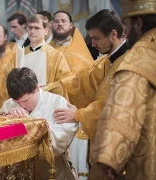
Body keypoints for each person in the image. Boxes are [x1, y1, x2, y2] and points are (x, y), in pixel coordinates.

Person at [89, 0, 156, 179]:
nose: (125, 32)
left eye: (126, 24)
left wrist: (102, 168)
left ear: (138, 23)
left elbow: (119, 125)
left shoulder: (135, 62)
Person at [54, 9, 129, 180]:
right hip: (102, 147)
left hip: (118, 148)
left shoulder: (127, 63)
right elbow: (79, 83)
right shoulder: (106, 61)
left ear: (113, 34)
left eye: (96, 38)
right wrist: (44, 90)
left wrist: (78, 114)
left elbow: (112, 105)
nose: (93, 44)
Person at [0, 67, 78, 180]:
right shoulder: (10, 104)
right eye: (17, 102)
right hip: (18, 171)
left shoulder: (58, 103)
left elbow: (58, 144)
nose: (21, 106)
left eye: (25, 101)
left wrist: (29, 124)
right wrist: (8, 118)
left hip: (51, 169)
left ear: (36, 88)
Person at [24, 16, 71, 97]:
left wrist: (47, 87)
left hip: (48, 99)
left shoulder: (56, 55)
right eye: (30, 28)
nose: (32, 31)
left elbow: (65, 81)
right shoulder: (20, 54)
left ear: (45, 31)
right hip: (22, 101)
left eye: (37, 28)